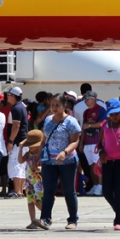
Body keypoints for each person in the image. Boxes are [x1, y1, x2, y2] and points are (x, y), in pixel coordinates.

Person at [39, 94, 81, 230]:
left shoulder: (71, 122)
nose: (54, 108)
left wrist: (65, 152)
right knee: (48, 190)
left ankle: (72, 219)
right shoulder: (48, 120)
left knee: (68, 190)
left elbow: (75, 141)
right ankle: (45, 219)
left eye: (57, 105)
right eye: (52, 105)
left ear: (64, 106)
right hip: (49, 161)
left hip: (67, 161)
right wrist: (38, 157)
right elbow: (44, 139)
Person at [97, 98, 120, 229]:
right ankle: (118, 208)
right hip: (108, 161)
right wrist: (101, 152)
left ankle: (118, 220)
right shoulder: (105, 125)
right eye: (111, 114)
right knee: (106, 191)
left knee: (119, 189)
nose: (114, 117)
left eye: (116, 114)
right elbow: (100, 144)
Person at [78, 91, 105, 196]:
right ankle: (95, 185)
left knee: (97, 165)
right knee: (91, 166)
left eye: (88, 98)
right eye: (85, 99)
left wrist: (89, 126)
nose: (86, 101)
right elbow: (83, 128)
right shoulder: (86, 112)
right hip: (87, 142)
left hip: (96, 141)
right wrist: (81, 143)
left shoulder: (100, 110)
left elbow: (102, 123)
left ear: (94, 99)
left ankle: (100, 186)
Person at [17, 130, 45, 229]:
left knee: (38, 201)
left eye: (33, 146)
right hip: (29, 181)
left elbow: (45, 166)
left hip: (38, 181)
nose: (30, 147)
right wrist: (20, 148)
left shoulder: (42, 153)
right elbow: (20, 160)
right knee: (30, 202)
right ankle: (33, 220)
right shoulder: (28, 153)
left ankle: (46, 216)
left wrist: (38, 168)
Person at [6, 88, 29, 197]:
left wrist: (10, 141)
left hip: (18, 141)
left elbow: (16, 126)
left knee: (15, 165)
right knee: (21, 165)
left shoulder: (16, 108)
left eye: (9, 94)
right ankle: (20, 190)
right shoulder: (22, 107)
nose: (7, 96)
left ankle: (17, 191)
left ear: (13, 96)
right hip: (23, 140)